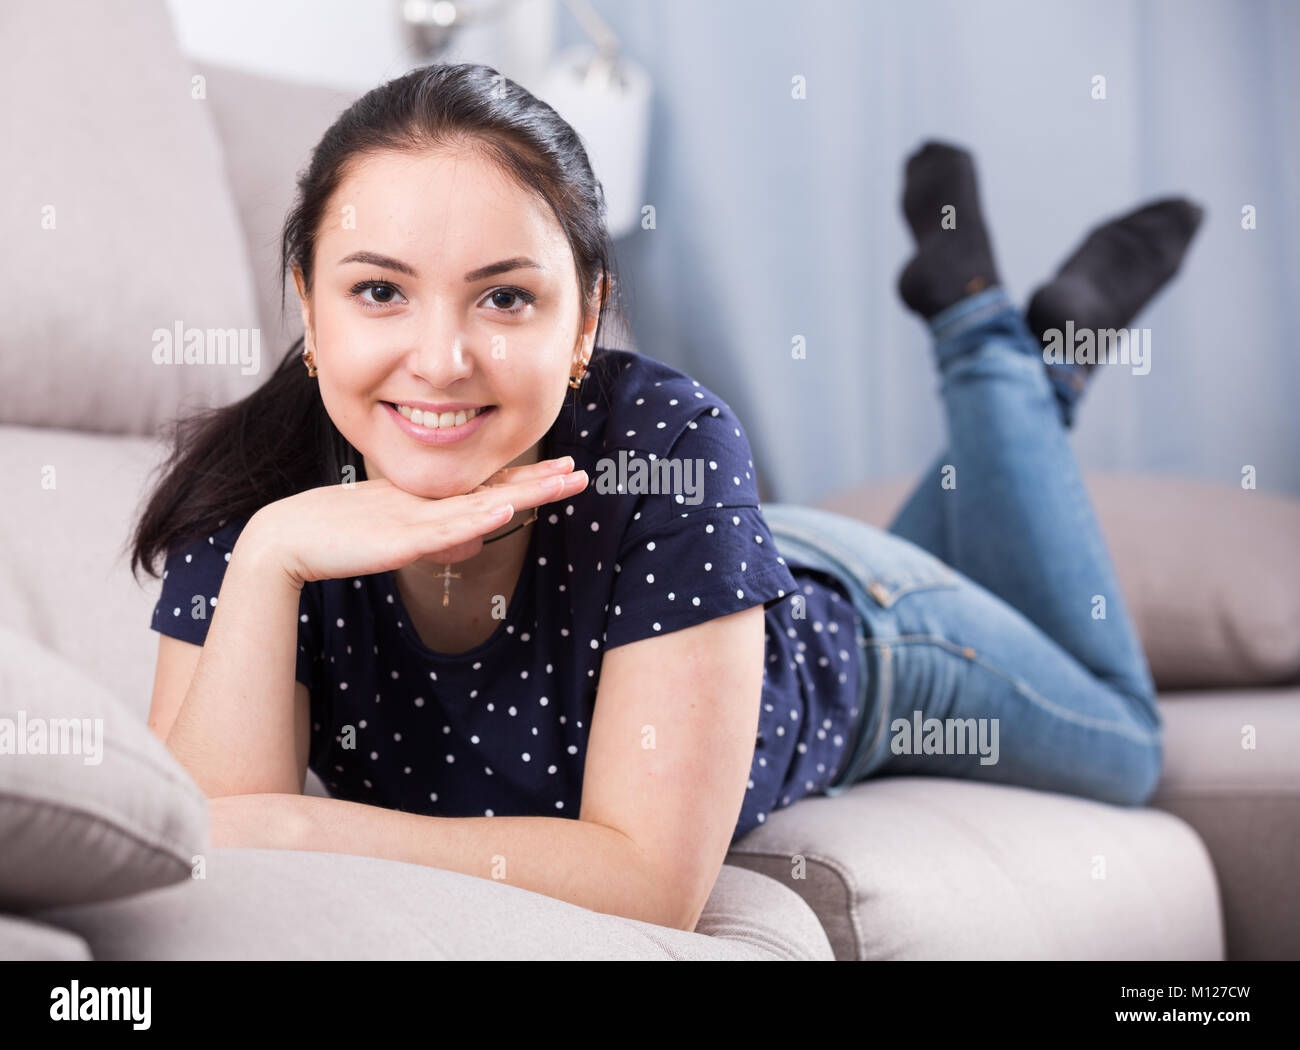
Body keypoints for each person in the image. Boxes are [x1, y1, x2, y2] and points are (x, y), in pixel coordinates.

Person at [130, 62, 1200, 931]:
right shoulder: (259, 489)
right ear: (309, 310)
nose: (441, 359)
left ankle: (981, 337)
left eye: (505, 296)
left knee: (1125, 743)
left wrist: (303, 828)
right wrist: (272, 557)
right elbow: (201, 854)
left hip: (867, 636)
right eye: (378, 291)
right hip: (714, 570)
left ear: (587, 318)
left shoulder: (673, 440)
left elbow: (648, 888)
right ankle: (1042, 358)